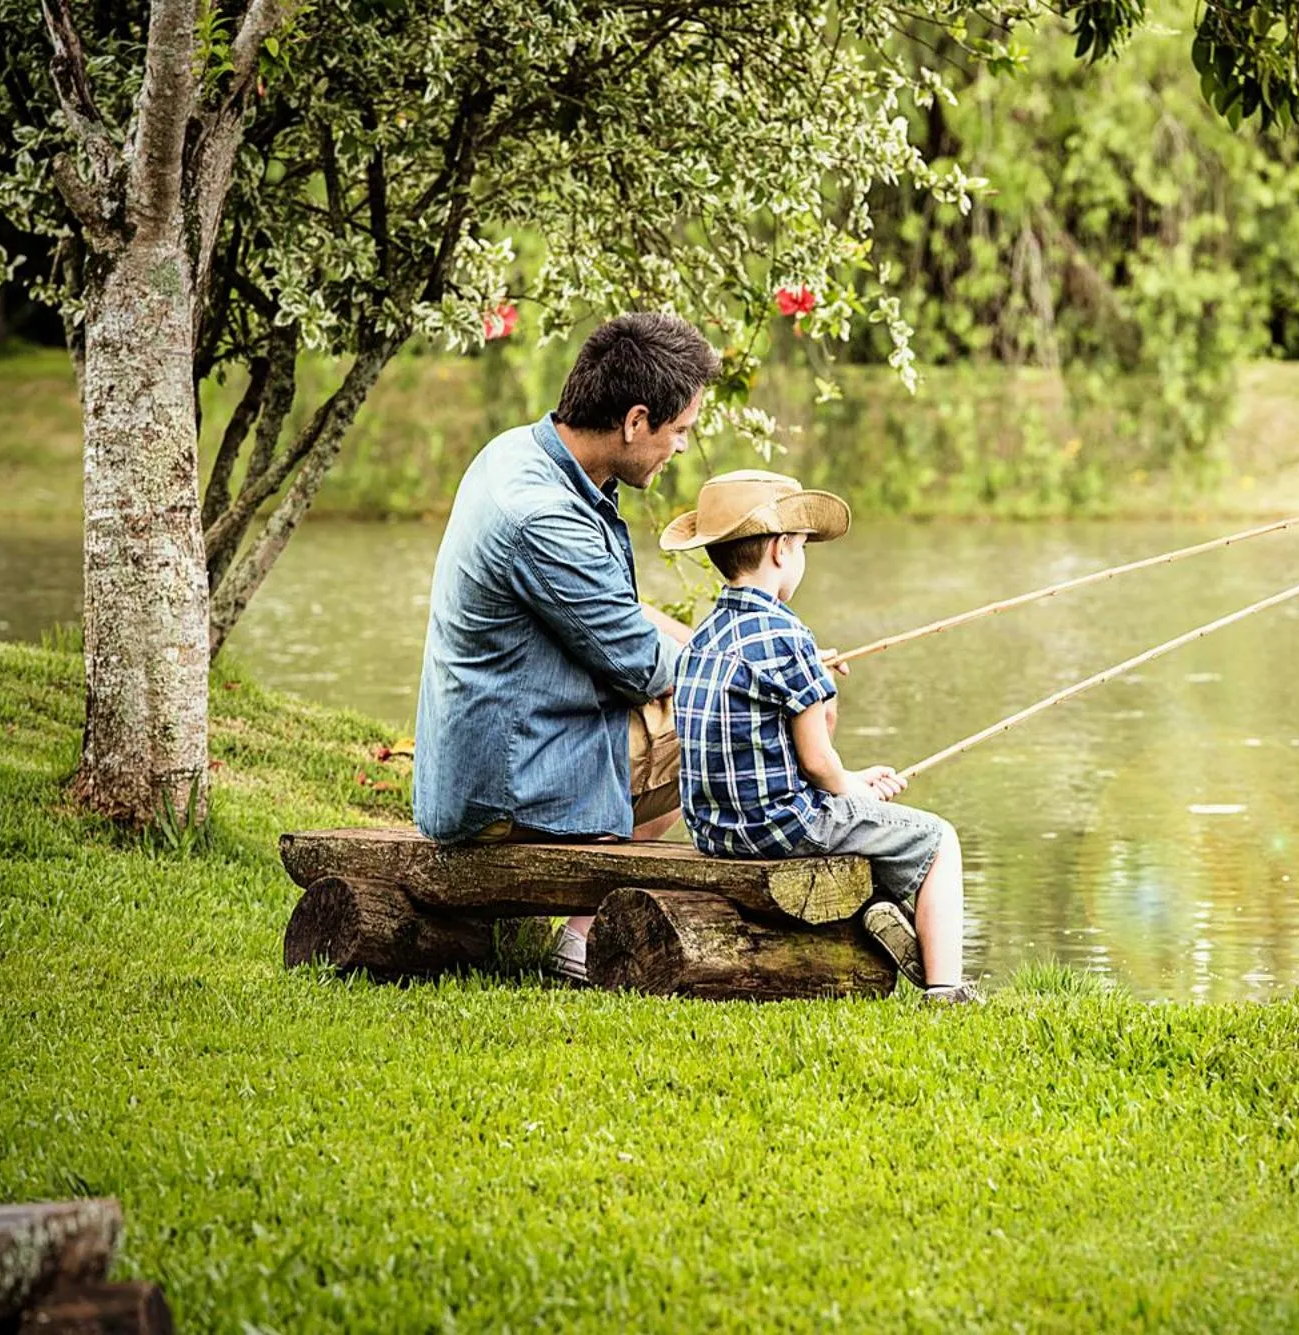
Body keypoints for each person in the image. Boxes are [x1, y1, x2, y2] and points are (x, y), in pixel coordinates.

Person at [413, 311, 718, 980]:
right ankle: (582, 937)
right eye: (680, 431)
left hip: (507, 746)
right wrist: (742, 676)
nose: (681, 449)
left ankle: (585, 915)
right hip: (504, 783)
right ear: (636, 421)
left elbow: (616, 611)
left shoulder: (523, 454)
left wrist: (719, 648)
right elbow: (643, 666)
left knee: (711, 686)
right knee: (713, 721)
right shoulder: (541, 516)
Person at [662, 470, 981, 1003]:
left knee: (866, 824)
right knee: (937, 840)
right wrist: (851, 788)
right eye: (804, 546)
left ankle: (886, 917)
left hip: (715, 831)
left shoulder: (703, 638)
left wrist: (844, 763)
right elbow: (815, 759)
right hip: (777, 828)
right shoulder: (789, 635)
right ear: (782, 550)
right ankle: (945, 991)